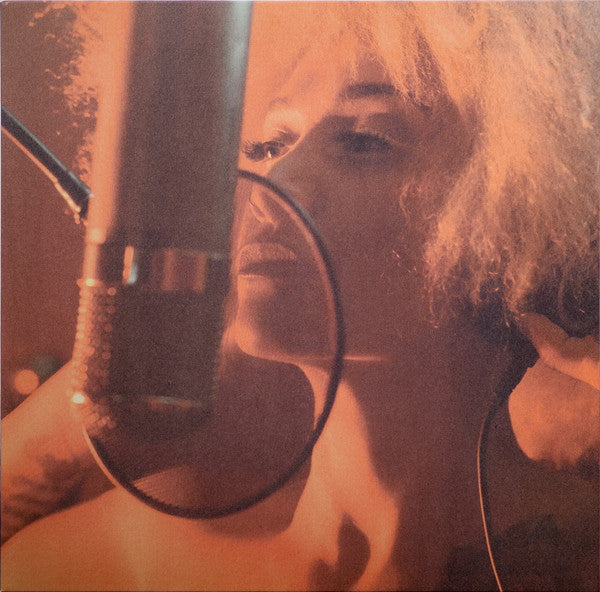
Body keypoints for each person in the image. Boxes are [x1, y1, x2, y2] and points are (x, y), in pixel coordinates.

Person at [2, 2, 598, 590]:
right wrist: (104, 371)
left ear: (516, 207)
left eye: (364, 141)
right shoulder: (138, 560)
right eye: (269, 145)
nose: (277, 183)